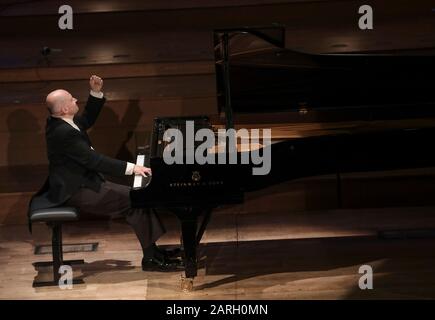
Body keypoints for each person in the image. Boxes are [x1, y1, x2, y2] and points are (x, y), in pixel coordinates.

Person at [29, 75, 181, 271]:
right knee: (136, 200)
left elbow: (86, 119)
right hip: (75, 190)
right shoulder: (63, 133)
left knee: (138, 198)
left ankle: (154, 253)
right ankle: (151, 258)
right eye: (71, 99)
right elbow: (95, 161)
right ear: (65, 109)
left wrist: (95, 92)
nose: (76, 99)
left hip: (83, 182)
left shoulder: (61, 122)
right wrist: (132, 167)